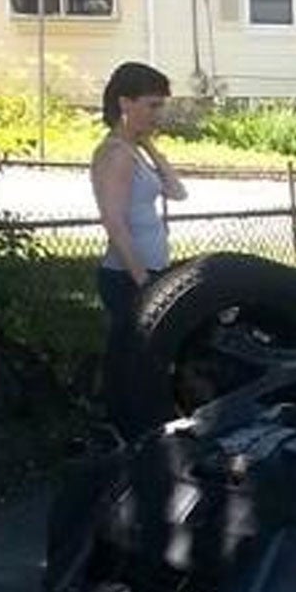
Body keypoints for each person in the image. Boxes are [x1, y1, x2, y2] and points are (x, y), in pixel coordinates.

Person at [91, 61, 186, 430]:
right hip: (127, 274)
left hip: (150, 270)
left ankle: (137, 423)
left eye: (160, 105)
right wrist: (142, 279)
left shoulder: (134, 151)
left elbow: (178, 192)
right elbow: (114, 222)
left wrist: (149, 145)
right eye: (151, 105)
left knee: (149, 355)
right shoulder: (114, 155)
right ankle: (118, 424)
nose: (157, 114)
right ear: (125, 103)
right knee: (128, 355)